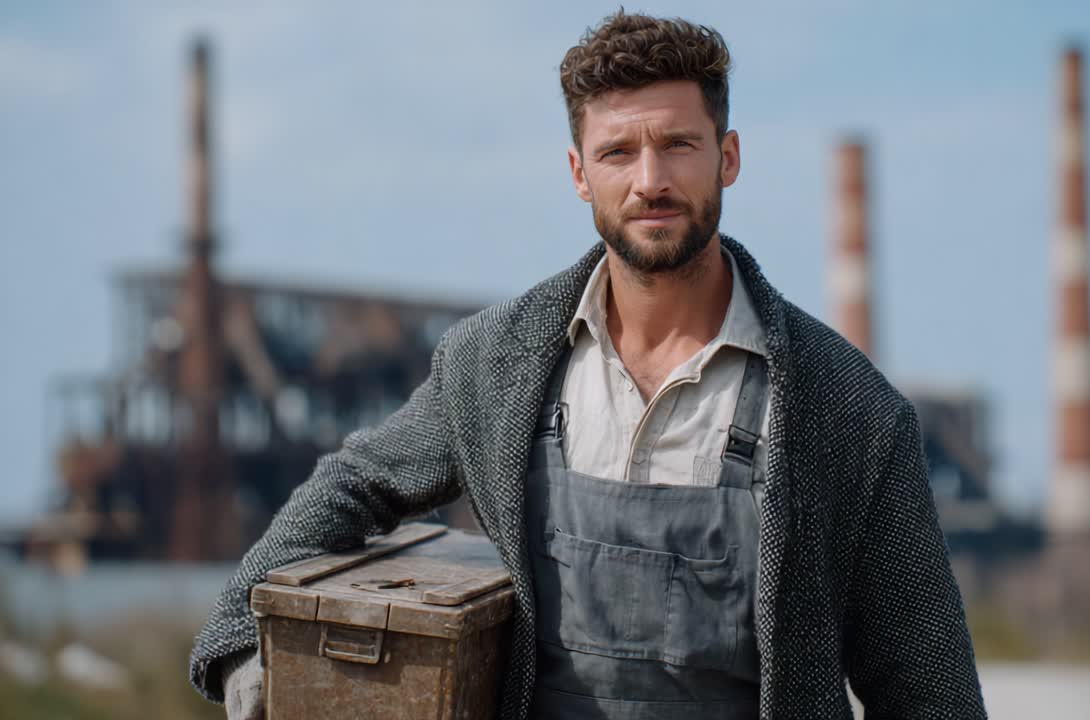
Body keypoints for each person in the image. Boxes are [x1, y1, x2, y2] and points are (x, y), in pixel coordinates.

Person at [191, 10, 986, 720]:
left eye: (678, 145)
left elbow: (932, 692)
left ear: (728, 156)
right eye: (618, 152)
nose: (650, 181)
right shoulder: (496, 363)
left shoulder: (847, 410)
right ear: (579, 173)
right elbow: (353, 483)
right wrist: (239, 640)